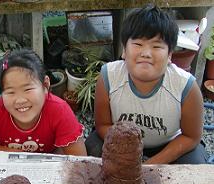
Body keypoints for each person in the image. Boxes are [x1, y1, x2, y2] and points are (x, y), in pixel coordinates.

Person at [85, 5, 208, 164]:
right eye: (138, 44)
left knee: (196, 164)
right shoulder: (108, 76)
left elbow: (191, 137)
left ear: (170, 55)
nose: (146, 53)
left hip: (168, 145)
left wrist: (150, 165)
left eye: (156, 46)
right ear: (124, 50)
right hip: (121, 144)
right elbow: (103, 125)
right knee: (92, 146)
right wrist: (128, 156)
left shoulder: (186, 86)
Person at [0, 48, 87, 155]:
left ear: (45, 85)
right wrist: (15, 154)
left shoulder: (60, 111)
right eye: (10, 92)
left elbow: (80, 160)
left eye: (28, 89)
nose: (20, 100)